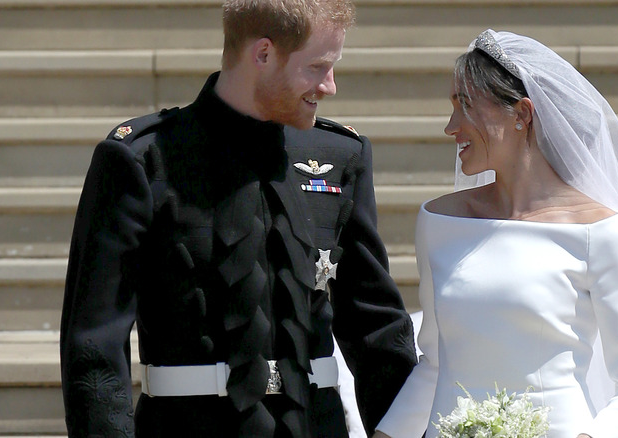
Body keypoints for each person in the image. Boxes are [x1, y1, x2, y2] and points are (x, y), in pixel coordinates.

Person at [59, 0, 417, 436]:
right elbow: (94, 345)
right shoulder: (142, 159)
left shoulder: (340, 156)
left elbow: (377, 329)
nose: (330, 86)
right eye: (318, 67)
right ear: (263, 53)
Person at [373, 30, 618, 438]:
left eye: (466, 107)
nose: (450, 127)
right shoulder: (439, 221)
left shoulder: (603, 234)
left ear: (522, 114)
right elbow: (436, 364)